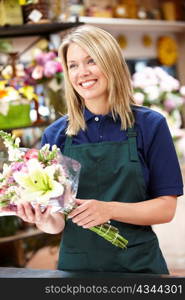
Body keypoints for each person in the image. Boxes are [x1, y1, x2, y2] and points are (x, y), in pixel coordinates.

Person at [15, 25, 183, 273]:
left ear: (111, 62)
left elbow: (166, 209)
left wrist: (109, 210)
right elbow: (57, 221)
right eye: (73, 65)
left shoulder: (150, 125)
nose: (82, 72)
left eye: (91, 61)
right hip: (76, 270)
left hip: (138, 266)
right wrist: (42, 219)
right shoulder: (56, 134)